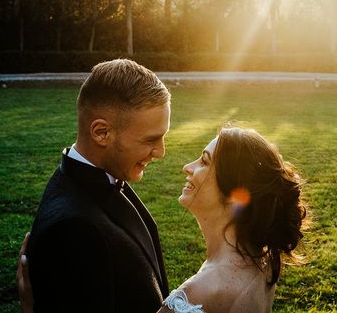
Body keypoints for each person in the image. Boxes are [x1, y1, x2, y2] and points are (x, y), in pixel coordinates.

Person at [19, 126, 308, 313]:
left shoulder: (199, 294)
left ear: (235, 195)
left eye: (204, 162)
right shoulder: (264, 258)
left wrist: (33, 309)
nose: (187, 166)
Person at [24, 58, 171, 313]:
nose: (160, 152)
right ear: (102, 133)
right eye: (151, 140)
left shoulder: (103, 177)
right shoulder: (73, 232)